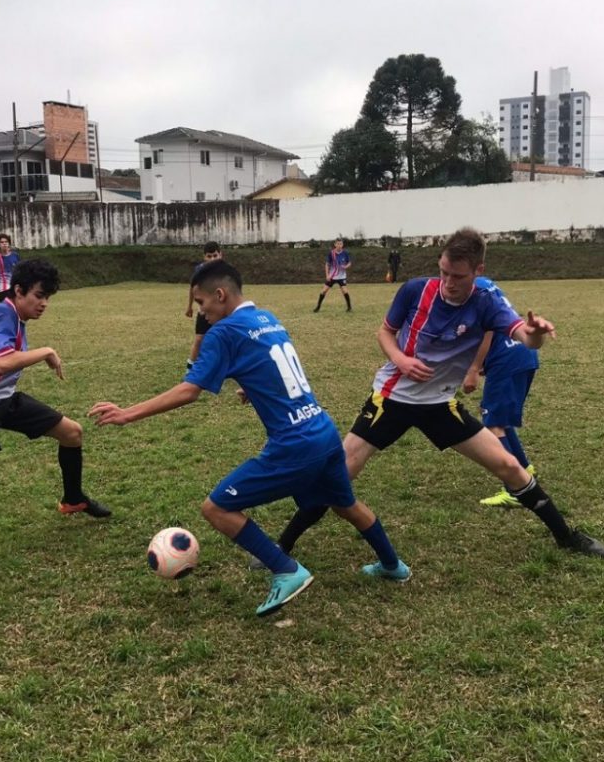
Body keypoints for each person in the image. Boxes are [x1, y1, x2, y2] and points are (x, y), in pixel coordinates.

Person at [89, 260, 410, 617]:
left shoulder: (222, 333)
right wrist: (252, 387)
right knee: (345, 505)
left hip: (294, 445)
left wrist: (127, 413)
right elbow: (272, 367)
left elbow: (189, 391)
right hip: (323, 430)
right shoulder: (267, 318)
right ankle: (393, 566)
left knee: (217, 508)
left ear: (220, 295)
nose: (202, 312)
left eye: (201, 303)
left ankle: (286, 570)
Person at [278, 227, 604, 559]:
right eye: (443, 272)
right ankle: (282, 545)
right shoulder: (415, 290)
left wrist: (535, 334)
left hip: (439, 406)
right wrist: (401, 360)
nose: (448, 283)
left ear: (478, 272)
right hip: (392, 400)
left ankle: (565, 536)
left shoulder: (486, 302)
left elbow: (524, 335)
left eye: (458, 276)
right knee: (338, 475)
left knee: (508, 465)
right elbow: (385, 332)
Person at [0, 258, 110, 580]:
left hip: (3, 401)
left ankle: (73, 499)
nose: (44, 304)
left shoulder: (9, 317)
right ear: (19, 290)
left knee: (72, 433)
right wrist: (46, 351)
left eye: (48, 298)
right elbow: (3, 364)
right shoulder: (3, 314)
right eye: (39, 296)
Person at [463, 275, 541, 508]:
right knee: (501, 419)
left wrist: (474, 369)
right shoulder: (486, 283)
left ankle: (515, 489)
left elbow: (487, 331)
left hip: (506, 358)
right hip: (523, 354)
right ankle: (524, 468)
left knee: (492, 424)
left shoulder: (475, 289)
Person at [186, 241, 222, 369]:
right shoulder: (199, 271)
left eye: (215, 255)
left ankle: (231, 369)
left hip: (222, 312)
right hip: (205, 311)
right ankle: (190, 368)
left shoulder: (226, 271)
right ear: (204, 257)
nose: (212, 259)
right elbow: (193, 289)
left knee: (227, 339)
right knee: (199, 339)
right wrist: (190, 307)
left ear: (220, 255)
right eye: (209, 256)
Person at [313, 238, 352, 312]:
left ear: (342, 245)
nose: (339, 245)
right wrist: (327, 275)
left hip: (341, 276)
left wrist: (346, 266)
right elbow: (327, 264)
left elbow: (349, 263)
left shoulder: (345, 253)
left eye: (341, 244)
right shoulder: (331, 253)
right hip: (332, 276)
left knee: (345, 291)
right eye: (338, 244)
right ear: (335, 244)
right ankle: (318, 307)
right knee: (324, 291)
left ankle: (349, 307)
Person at [0, 234, 20, 302]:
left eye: (6, 242)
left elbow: (20, 272)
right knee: (7, 309)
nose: (4, 244)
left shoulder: (15, 256)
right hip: (3, 289)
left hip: (15, 287)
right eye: (2, 242)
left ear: (9, 244)